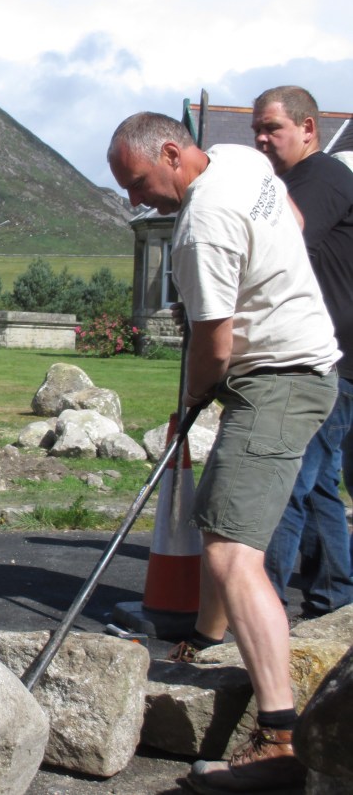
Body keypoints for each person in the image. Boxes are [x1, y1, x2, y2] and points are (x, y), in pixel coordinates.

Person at [107, 112, 339, 794]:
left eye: (140, 182)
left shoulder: (199, 229)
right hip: (300, 367)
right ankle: (206, 643)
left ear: (174, 153)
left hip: (279, 381)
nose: (135, 200)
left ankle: (281, 739)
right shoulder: (240, 160)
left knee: (234, 554)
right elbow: (292, 222)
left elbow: (212, 347)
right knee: (220, 517)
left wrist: (189, 404)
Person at [251, 86, 353, 621]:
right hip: (330, 355)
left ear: (308, 128)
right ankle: (335, 596)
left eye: (273, 129)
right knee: (317, 487)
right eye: (256, 131)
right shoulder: (292, 182)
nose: (261, 140)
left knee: (285, 481)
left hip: (326, 358)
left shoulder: (323, 177)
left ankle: (257, 601)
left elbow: (283, 245)